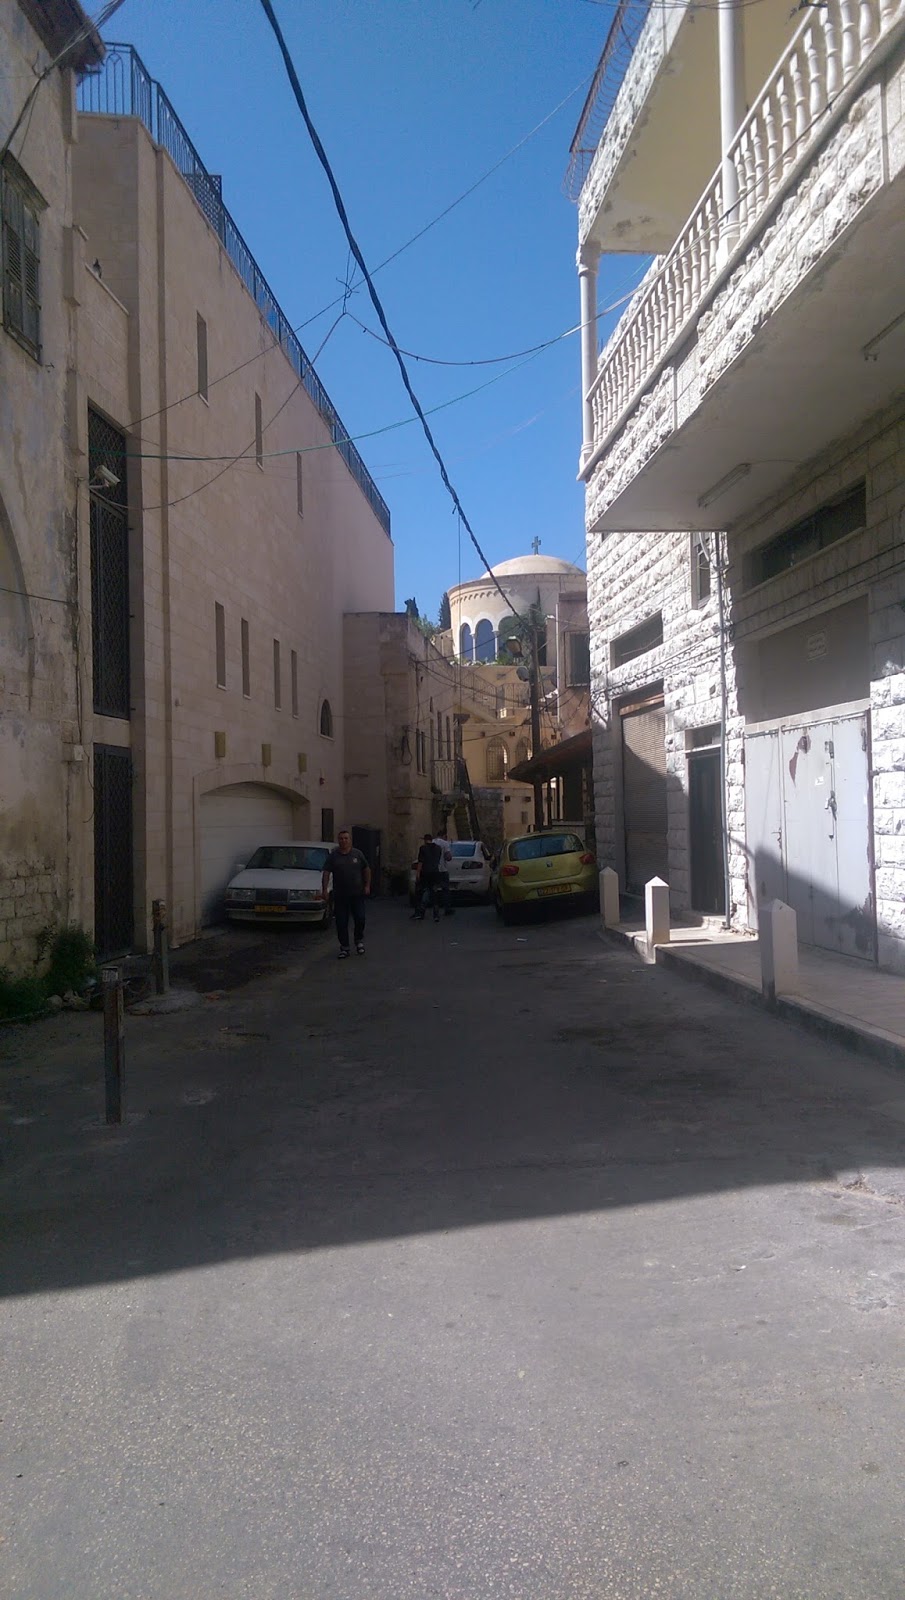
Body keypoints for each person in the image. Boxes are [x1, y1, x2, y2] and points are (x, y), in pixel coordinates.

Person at [323, 830, 371, 959]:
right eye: (341, 839)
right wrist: (325, 890)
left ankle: (358, 940)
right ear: (338, 841)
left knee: (360, 918)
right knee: (341, 922)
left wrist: (367, 886)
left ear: (350, 840)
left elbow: (366, 869)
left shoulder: (357, 854)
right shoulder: (333, 856)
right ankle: (344, 947)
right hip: (340, 895)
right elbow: (326, 872)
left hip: (357, 894)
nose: (343, 841)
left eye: (346, 838)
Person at [413, 833, 443, 922]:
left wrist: (418, 873)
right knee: (434, 892)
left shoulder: (423, 848)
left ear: (425, 840)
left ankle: (421, 912)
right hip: (435, 872)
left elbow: (420, 862)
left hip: (425, 872)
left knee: (425, 891)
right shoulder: (438, 848)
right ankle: (436, 914)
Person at [432, 829, 454, 917]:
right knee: (445, 890)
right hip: (442, 870)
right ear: (444, 835)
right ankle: (447, 909)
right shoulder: (445, 844)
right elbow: (448, 857)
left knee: (432, 889)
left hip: (432, 870)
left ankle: (432, 908)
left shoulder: (432, 842)